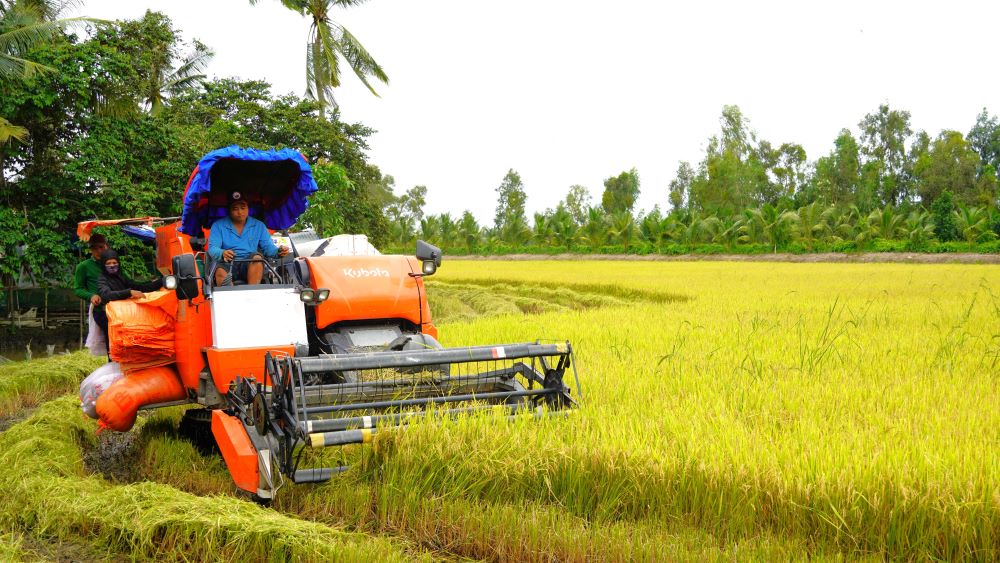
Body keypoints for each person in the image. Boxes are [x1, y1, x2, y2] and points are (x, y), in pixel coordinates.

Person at [208, 191, 289, 286]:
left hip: (249, 265)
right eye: (235, 209)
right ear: (229, 210)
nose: (240, 212)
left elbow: (268, 248)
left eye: (243, 208)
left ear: (248, 208)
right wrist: (222, 253)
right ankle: (229, 297)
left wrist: (278, 251)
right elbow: (212, 248)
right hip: (227, 264)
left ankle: (252, 295)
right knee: (220, 271)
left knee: (257, 258)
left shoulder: (259, 226)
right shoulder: (218, 225)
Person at [94, 249, 163, 352]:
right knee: (113, 345)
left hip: (121, 316)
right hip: (106, 316)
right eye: (108, 263)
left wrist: (161, 281)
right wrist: (129, 292)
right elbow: (106, 295)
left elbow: (139, 287)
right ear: (103, 265)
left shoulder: (120, 277)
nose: (112, 265)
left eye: (114, 262)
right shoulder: (102, 279)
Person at [74, 234, 108, 355]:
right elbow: (78, 289)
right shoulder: (84, 266)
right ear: (90, 250)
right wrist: (91, 296)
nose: (98, 251)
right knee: (111, 342)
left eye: (101, 247)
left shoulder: (113, 263)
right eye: (94, 248)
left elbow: (127, 282)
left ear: (106, 246)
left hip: (119, 309)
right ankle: (112, 369)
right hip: (101, 310)